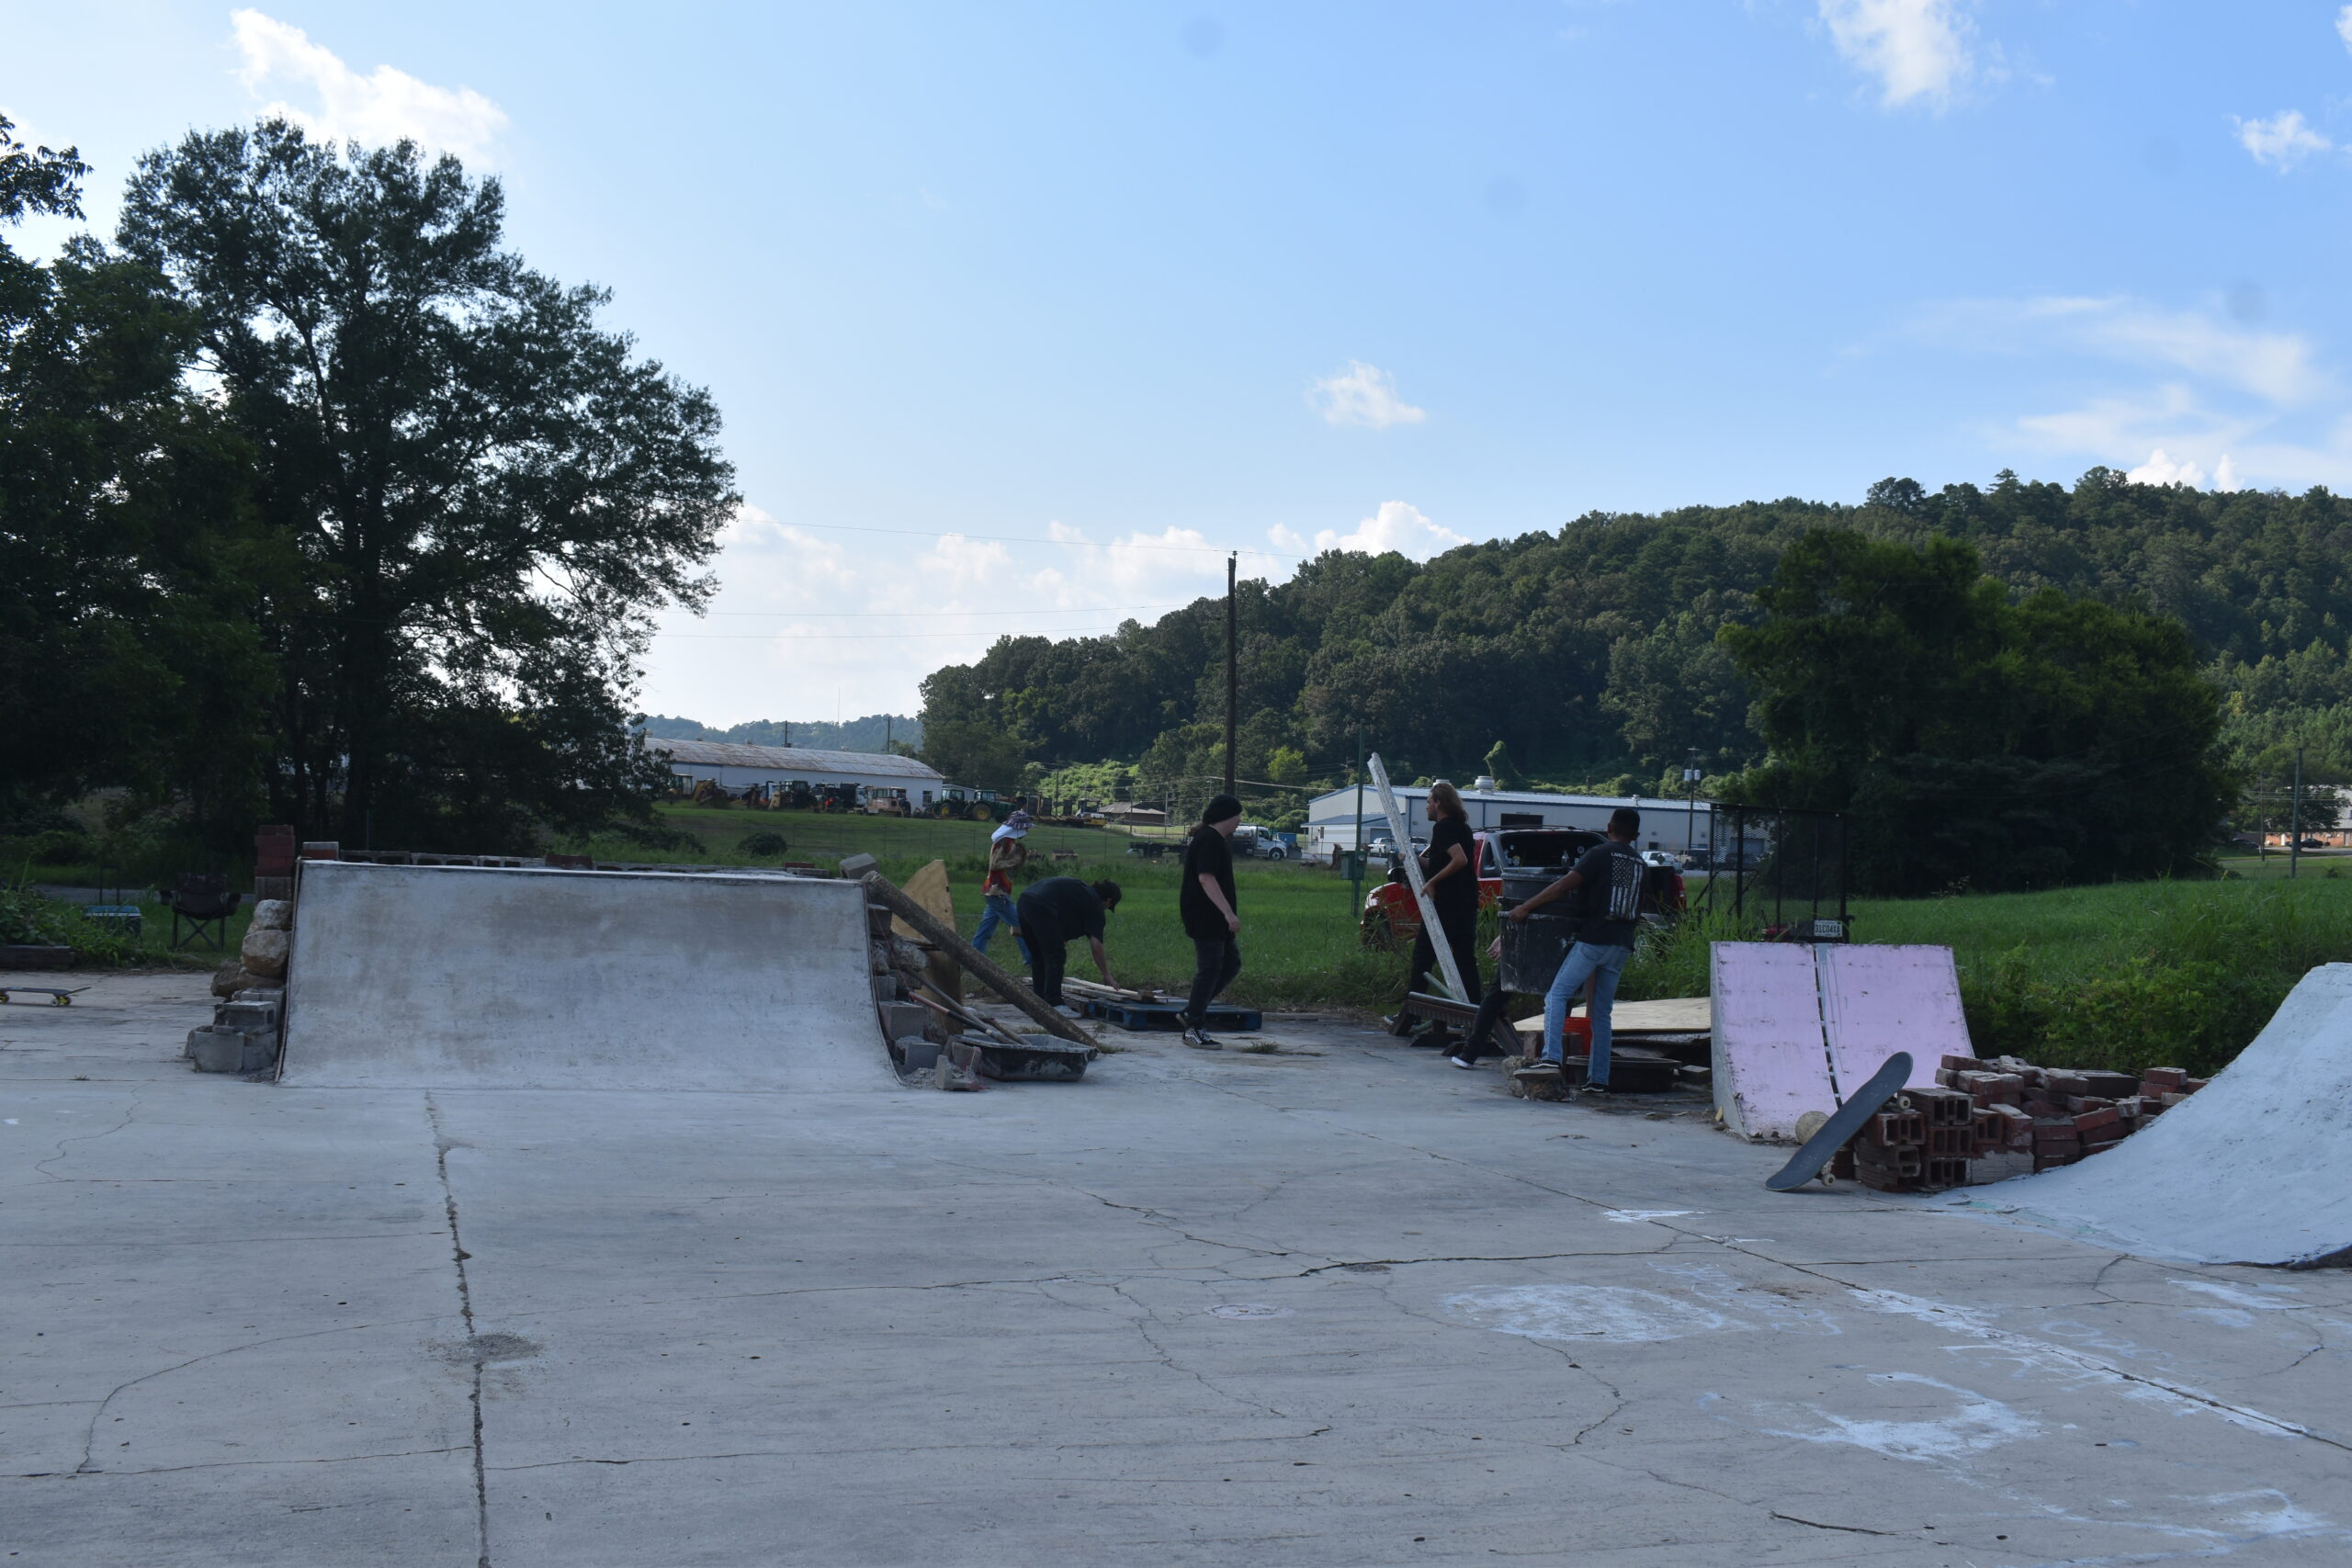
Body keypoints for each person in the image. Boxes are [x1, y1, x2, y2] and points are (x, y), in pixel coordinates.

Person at [1506, 806, 1646, 1095]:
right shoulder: (1641, 864)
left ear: (1609, 828)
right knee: (1601, 1013)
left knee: (1557, 995)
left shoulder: (1600, 854)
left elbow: (1563, 886)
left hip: (1595, 939)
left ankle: (1551, 1059)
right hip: (1622, 943)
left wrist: (1526, 906)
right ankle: (1598, 1079)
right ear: (1636, 835)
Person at [1393, 781, 1484, 1049]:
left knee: (1423, 956)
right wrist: (1411, 858)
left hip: (1448, 904)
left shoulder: (1443, 827)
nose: (1426, 807)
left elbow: (1460, 860)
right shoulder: (1462, 828)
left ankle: (1412, 1013)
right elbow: (1438, 863)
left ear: (1439, 803)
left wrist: (1432, 882)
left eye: (1429, 801)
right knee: (1465, 959)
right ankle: (1477, 1016)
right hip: (1465, 903)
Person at [1177, 794, 1244, 1051]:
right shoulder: (1208, 840)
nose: (1239, 820)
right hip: (1206, 915)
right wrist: (1228, 913)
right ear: (1226, 815)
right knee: (1210, 969)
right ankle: (1193, 1027)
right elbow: (1206, 878)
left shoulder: (1216, 840)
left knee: (1230, 964)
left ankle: (1191, 1011)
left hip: (1215, 917)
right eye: (1237, 815)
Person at [1014, 874, 1121, 1015]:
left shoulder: (1081, 891)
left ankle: (1038, 1002)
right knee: (1056, 955)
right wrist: (1106, 974)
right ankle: (1055, 1004)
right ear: (1108, 900)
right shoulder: (1095, 905)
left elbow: (1064, 915)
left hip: (1025, 900)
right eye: (1108, 907)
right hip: (1042, 906)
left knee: (1039, 956)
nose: (1106, 909)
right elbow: (1096, 947)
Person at [973, 810, 1032, 964]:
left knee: (985, 930)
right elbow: (995, 865)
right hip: (998, 892)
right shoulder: (1005, 842)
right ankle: (1031, 959)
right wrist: (1015, 860)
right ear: (1018, 827)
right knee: (1020, 925)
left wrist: (1017, 860)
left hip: (994, 892)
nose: (1027, 831)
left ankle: (972, 957)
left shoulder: (1007, 841)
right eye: (1026, 827)